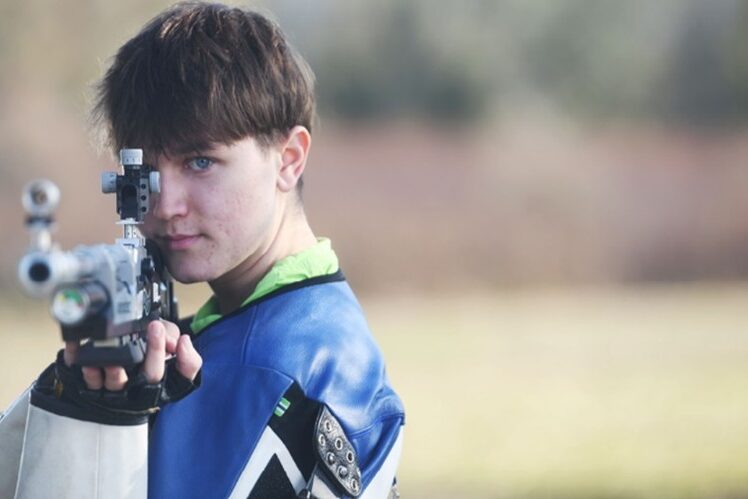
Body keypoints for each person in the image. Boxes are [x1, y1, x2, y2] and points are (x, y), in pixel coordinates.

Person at [0, 3, 405, 498]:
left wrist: (102, 423)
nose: (166, 205)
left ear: (288, 159)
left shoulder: (268, 368)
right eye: (145, 172)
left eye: (200, 162)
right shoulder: (300, 330)